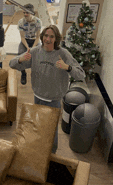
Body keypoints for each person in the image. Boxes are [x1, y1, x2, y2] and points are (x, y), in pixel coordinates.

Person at [9, 25, 85, 153]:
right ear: (42, 37)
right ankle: (39, 151)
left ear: (56, 39)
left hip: (54, 100)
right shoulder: (34, 52)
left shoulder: (63, 54)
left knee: (52, 130)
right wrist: (21, 60)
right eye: (46, 36)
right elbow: (12, 63)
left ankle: (52, 155)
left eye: (51, 36)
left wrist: (67, 67)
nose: (48, 39)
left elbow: (81, 74)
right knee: (37, 126)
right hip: (37, 97)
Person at [17, 3, 42, 85]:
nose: (25, 14)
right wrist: (27, 48)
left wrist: (32, 48)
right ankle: (23, 73)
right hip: (25, 41)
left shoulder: (38, 21)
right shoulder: (21, 22)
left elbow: (38, 37)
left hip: (35, 41)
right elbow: (22, 37)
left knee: (38, 56)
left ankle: (35, 74)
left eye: (27, 12)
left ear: (31, 13)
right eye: (24, 12)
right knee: (20, 55)